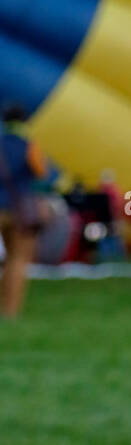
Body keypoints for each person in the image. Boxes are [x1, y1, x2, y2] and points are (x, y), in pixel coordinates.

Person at [0, 106, 48, 318]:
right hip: (20, 210)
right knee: (17, 260)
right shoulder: (30, 146)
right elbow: (40, 172)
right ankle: (9, 311)